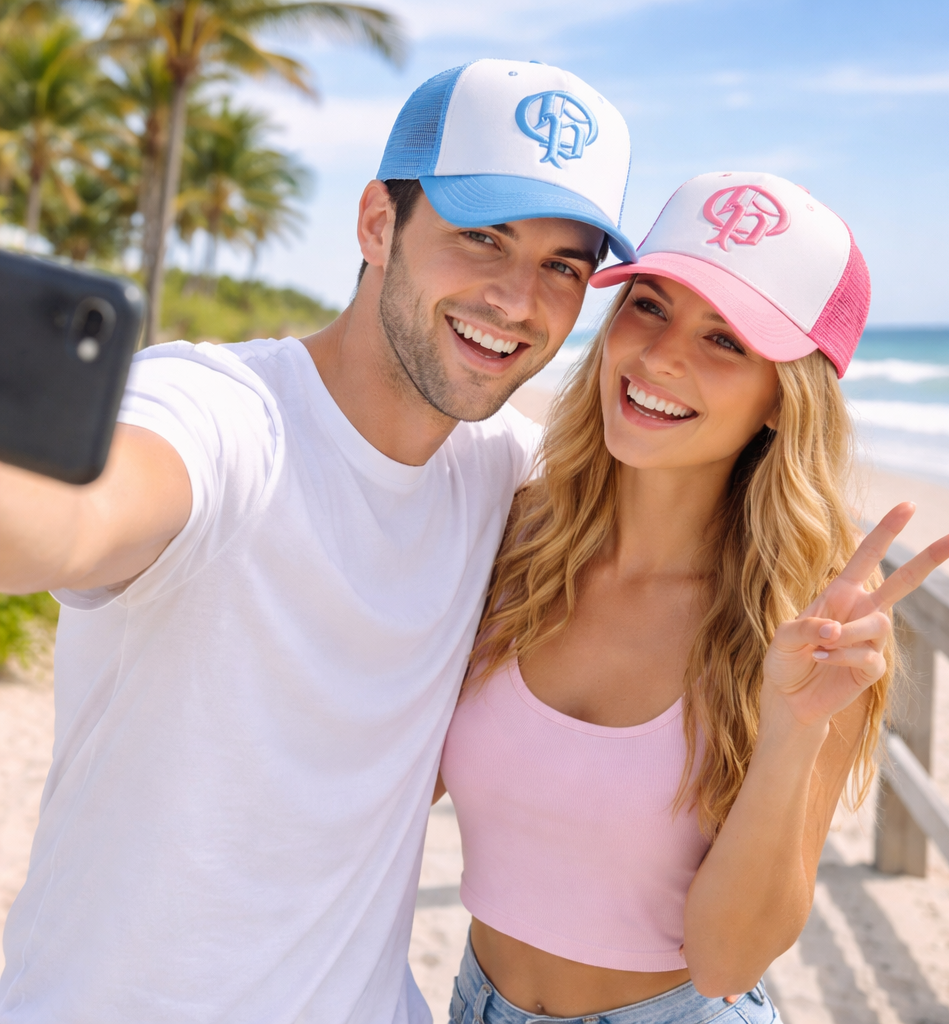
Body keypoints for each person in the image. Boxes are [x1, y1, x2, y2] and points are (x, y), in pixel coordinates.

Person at [0, 60, 634, 1024]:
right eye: (480, 237)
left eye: (562, 266)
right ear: (379, 223)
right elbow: (80, 522)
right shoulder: (223, 412)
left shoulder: (506, 476)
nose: (517, 300)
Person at [436, 172, 949, 1024]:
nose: (659, 358)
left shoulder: (805, 629)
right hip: (471, 1000)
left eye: (726, 341)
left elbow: (727, 959)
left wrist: (794, 729)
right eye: (649, 306)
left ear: (779, 400)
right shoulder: (515, 541)